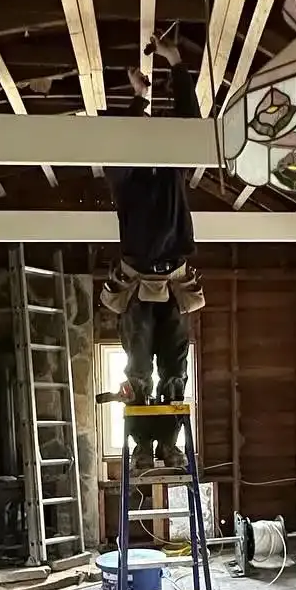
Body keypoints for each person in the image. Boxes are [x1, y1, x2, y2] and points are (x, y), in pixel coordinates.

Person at [100, 35, 205, 470]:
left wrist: (176, 64)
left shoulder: (170, 168)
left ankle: (167, 445)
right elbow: (116, 143)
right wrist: (137, 101)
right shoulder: (125, 177)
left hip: (174, 278)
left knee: (176, 372)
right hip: (140, 280)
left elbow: (189, 123)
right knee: (140, 373)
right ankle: (144, 447)